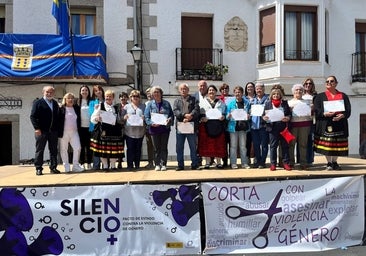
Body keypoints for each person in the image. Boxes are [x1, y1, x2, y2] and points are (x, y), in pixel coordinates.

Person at [313, 75, 351, 170]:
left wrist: (343, 115)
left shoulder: (343, 96)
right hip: (326, 123)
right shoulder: (319, 96)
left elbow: (348, 110)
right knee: (328, 145)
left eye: (331, 81)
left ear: (336, 83)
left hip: (339, 123)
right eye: (327, 81)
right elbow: (316, 110)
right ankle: (329, 163)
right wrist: (324, 114)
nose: (329, 83)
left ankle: (335, 162)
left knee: (337, 144)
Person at [30, 85, 61, 176]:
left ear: (53, 93)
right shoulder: (38, 102)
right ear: (43, 92)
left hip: (53, 131)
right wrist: (37, 128)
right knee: (40, 150)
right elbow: (33, 116)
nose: (49, 93)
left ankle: (53, 167)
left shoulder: (55, 103)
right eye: (47, 92)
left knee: (54, 150)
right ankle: (38, 168)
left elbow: (57, 117)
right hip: (41, 131)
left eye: (51, 92)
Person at [90, 90, 124, 171]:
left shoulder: (116, 107)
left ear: (113, 98)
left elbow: (119, 119)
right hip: (103, 132)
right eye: (106, 96)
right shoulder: (99, 106)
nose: (108, 98)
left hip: (114, 132)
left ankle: (113, 166)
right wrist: (97, 119)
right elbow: (92, 119)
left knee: (113, 150)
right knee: (103, 151)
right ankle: (105, 166)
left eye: (110, 96)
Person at [144, 86, 174, 171]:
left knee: (164, 147)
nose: (156, 94)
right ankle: (157, 164)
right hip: (154, 129)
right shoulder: (150, 104)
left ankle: (163, 164)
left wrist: (169, 119)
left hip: (165, 129)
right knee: (156, 148)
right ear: (152, 94)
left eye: (158, 92)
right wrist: (151, 123)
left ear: (161, 93)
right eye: (155, 92)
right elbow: (146, 117)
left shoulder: (166, 103)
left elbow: (171, 115)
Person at [198, 85, 227, 169]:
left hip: (218, 126)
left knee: (218, 144)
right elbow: (200, 114)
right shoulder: (202, 102)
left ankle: (218, 162)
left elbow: (224, 113)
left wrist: (223, 117)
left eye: (213, 90)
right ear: (207, 92)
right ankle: (207, 163)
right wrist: (202, 118)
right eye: (210, 90)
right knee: (207, 144)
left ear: (216, 92)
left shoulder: (221, 102)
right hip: (206, 125)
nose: (211, 92)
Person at [263, 88, 292, 171]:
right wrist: (264, 118)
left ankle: (286, 163)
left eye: (278, 94)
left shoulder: (285, 103)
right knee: (273, 146)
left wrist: (287, 118)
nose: (276, 96)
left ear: (280, 95)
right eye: (274, 94)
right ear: (272, 95)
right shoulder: (268, 103)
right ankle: (273, 164)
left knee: (285, 146)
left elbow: (289, 114)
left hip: (283, 127)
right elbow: (263, 115)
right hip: (272, 128)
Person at [173, 83, 200, 171]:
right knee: (179, 147)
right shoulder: (177, 101)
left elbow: (196, 110)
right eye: (182, 89)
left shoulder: (194, 99)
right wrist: (184, 115)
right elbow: (175, 111)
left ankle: (194, 164)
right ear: (179, 90)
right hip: (180, 125)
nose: (183, 90)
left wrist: (190, 116)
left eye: (185, 89)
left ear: (188, 90)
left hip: (191, 125)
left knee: (192, 146)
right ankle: (180, 165)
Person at [287, 84, 313, 170]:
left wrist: (311, 110)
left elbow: (311, 115)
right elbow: (286, 114)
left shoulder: (307, 102)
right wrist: (289, 110)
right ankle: (291, 162)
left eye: (300, 90)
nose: (298, 91)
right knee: (291, 145)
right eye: (296, 90)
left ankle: (303, 162)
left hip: (304, 126)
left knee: (303, 144)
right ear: (293, 92)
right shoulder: (289, 102)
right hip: (292, 126)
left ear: (302, 91)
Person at [58, 93, 84, 173]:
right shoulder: (61, 108)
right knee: (63, 149)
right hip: (64, 132)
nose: (70, 100)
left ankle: (75, 165)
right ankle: (66, 166)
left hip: (74, 132)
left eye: (72, 98)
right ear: (65, 100)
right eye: (68, 98)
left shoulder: (76, 108)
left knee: (77, 148)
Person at [226, 86, 251, 169]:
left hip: (243, 127)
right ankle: (233, 163)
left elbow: (250, 113)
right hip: (233, 127)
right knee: (233, 146)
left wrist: (248, 116)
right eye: (236, 92)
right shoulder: (230, 103)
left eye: (239, 92)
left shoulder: (247, 103)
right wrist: (228, 116)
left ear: (242, 93)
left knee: (243, 146)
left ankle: (244, 163)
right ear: (234, 93)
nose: (237, 94)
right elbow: (226, 115)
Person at [122, 90, 145, 170]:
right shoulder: (126, 107)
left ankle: (137, 165)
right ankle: (130, 165)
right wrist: (124, 117)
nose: (135, 98)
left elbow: (147, 116)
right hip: (129, 132)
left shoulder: (143, 106)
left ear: (139, 98)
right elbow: (121, 118)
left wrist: (144, 118)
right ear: (130, 98)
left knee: (138, 149)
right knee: (130, 149)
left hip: (140, 132)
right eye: (133, 96)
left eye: (137, 96)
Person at [250, 82, 269, 168]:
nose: (258, 90)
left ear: (264, 89)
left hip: (263, 126)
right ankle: (258, 160)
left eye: (260, 88)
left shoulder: (268, 99)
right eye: (257, 88)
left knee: (264, 145)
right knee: (256, 145)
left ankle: (262, 162)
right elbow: (248, 111)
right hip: (254, 126)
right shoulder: (252, 100)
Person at [89, 85, 105, 170]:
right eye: (96, 91)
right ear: (94, 93)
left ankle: (105, 165)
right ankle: (96, 165)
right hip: (95, 127)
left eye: (99, 90)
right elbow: (91, 114)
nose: (98, 92)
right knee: (96, 147)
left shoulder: (107, 100)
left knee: (104, 147)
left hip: (105, 128)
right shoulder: (92, 102)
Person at [302, 77, 317, 166]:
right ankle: (301, 160)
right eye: (306, 84)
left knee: (310, 141)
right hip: (302, 121)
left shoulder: (315, 96)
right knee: (302, 142)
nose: (308, 85)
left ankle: (309, 160)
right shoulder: (300, 95)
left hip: (312, 121)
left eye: (310, 84)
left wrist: (313, 108)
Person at [78, 85, 92, 170]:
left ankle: (89, 163)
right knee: (81, 146)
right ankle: (82, 162)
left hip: (90, 127)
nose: (84, 92)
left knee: (89, 146)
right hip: (81, 128)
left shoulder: (92, 102)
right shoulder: (77, 102)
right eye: (83, 90)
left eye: (86, 90)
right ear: (80, 92)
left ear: (88, 92)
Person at [218, 83, 231, 167]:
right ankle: (224, 161)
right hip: (221, 124)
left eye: (226, 89)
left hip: (231, 123)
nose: (224, 90)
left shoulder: (232, 98)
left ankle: (232, 161)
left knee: (232, 144)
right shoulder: (218, 99)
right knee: (223, 144)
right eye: (223, 89)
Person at [115, 92, 129, 169]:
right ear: (119, 98)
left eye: (124, 97)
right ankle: (119, 162)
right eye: (121, 97)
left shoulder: (130, 106)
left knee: (129, 146)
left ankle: (130, 163)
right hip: (119, 129)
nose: (123, 98)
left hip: (129, 128)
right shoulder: (116, 106)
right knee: (120, 147)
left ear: (127, 98)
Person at [244, 82, 256, 165]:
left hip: (255, 123)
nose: (250, 88)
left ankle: (256, 157)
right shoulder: (244, 98)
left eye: (251, 87)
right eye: (248, 87)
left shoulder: (257, 98)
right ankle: (247, 158)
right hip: (246, 124)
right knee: (247, 142)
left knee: (256, 142)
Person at [144, 88, 155, 169]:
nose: (149, 95)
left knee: (156, 145)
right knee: (149, 146)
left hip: (156, 127)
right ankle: (150, 162)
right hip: (147, 128)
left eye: (150, 93)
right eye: (147, 93)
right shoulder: (145, 104)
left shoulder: (156, 103)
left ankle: (157, 162)